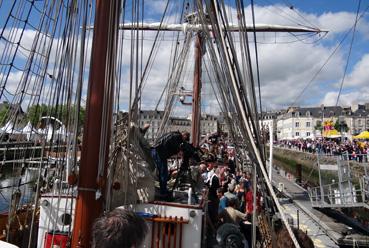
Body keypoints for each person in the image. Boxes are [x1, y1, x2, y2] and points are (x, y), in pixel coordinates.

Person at [151, 131, 191, 198]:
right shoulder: (177, 136)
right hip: (159, 153)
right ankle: (163, 191)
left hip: (157, 151)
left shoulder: (173, 134)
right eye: (185, 139)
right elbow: (174, 146)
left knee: (162, 173)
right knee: (163, 173)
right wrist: (179, 149)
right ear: (184, 136)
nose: (183, 141)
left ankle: (163, 190)